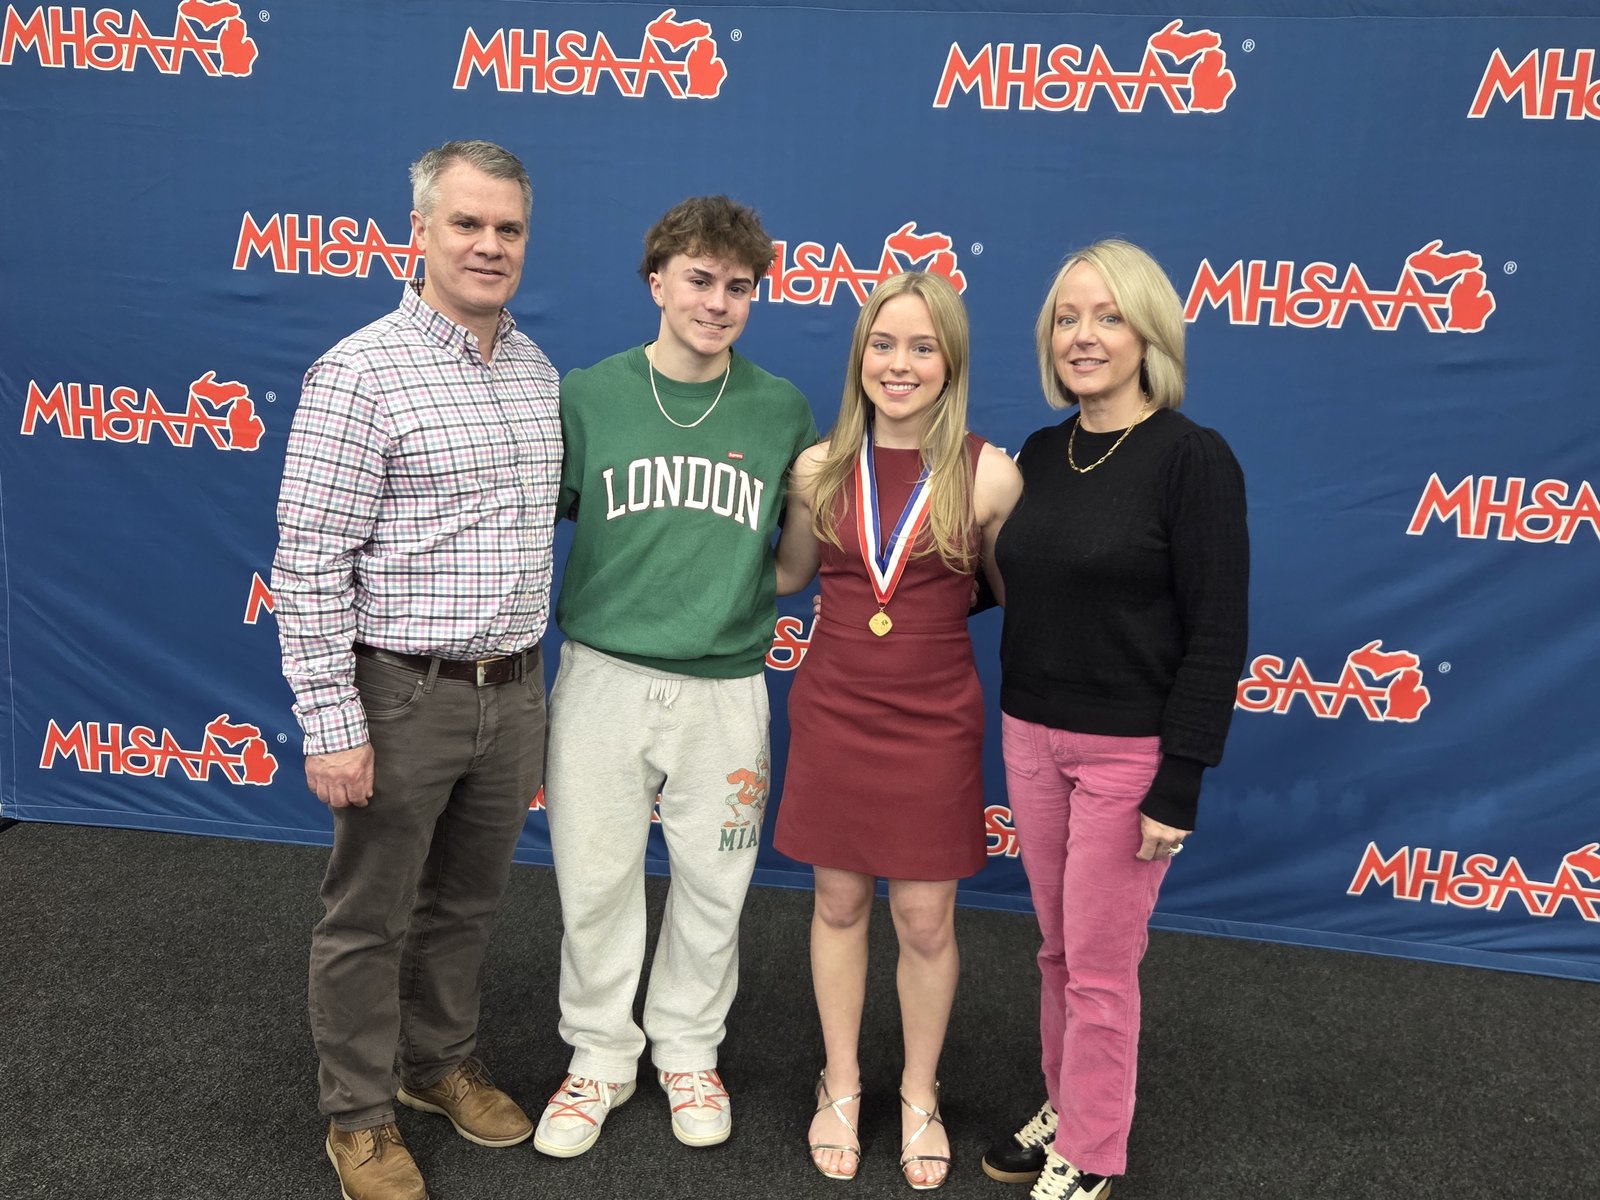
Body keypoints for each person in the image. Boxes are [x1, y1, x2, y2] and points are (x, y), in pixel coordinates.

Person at [272, 140, 561, 1200]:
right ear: (420, 234)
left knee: (468, 904)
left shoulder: (536, 371)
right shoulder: (361, 373)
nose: (489, 245)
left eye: (508, 228)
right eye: (467, 224)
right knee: (367, 915)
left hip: (513, 688)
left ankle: (437, 1063)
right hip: (398, 695)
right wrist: (331, 719)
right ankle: (356, 1114)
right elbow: (308, 564)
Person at [532, 196, 817, 1158]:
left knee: (714, 880)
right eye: (699, 279)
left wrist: (727, 598)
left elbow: (789, 559)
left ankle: (689, 1048)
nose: (719, 301)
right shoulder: (589, 394)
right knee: (598, 877)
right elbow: (543, 531)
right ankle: (600, 1057)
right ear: (657, 280)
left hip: (726, 685)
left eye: (740, 286)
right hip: (604, 676)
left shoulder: (780, 408)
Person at [980, 240, 1249, 1200]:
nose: (1082, 336)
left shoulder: (1192, 459)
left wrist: (1180, 782)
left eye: (1106, 317)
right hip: (1031, 736)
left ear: (1149, 334)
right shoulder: (1044, 453)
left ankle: (1093, 1151)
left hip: (1129, 753)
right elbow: (1005, 584)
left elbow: (1218, 634)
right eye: (1066, 318)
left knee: (1100, 965)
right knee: (1056, 948)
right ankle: (1071, 1097)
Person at [772, 271, 1023, 1189]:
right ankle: (840, 1082)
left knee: (923, 917)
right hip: (834, 708)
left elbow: (1016, 592)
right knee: (837, 904)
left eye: (923, 346)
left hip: (933, 718)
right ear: (860, 356)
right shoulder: (816, 465)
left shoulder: (990, 473)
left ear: (951, 360)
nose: (900, 363)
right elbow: (790, 575)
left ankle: (919, 1091)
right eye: (884, 345)